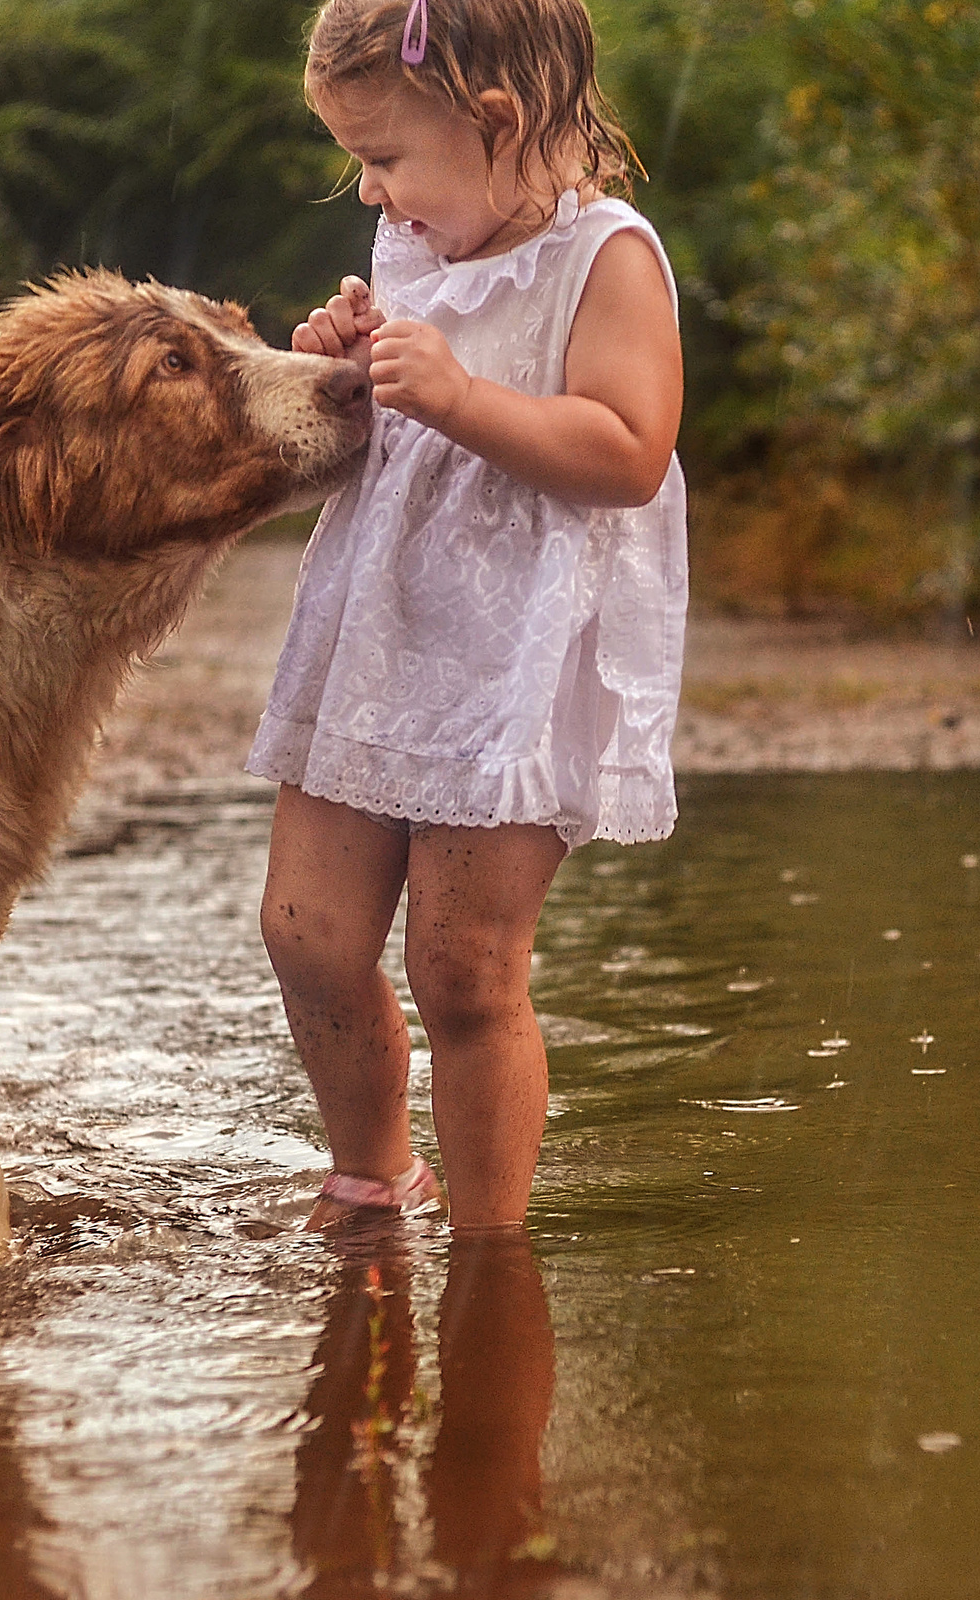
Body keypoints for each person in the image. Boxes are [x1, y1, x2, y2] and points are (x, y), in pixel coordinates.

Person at [254, 0, 686, 1231]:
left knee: (464, 966)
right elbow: (397, 420)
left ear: (495, 121)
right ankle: (375, 1173)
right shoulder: (420, 245)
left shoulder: (607, 255)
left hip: (518, 654)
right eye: (359, 164)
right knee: (308, 928)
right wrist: (347, 367)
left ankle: (495, 1249)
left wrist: (457, 391)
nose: (373, 195)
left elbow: (628, 449)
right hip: (379, 636)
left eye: (384, 159)